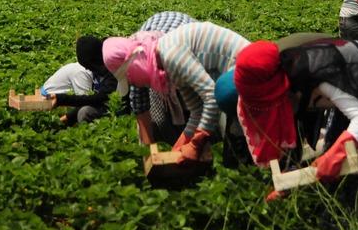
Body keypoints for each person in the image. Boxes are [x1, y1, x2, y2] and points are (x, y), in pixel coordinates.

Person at [234, 38, 358, 230]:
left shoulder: (315, 76)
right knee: (336, 158)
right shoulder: (287, 77)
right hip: (353, 93)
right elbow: (299, 127)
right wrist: (289, 178)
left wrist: (334, 156)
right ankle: (339, 219)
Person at [103, 21, 250, 163]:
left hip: (245, 71)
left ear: (133, 66)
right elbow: (196, 110)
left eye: (129, 79)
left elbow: (211, 97)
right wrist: (181, 144)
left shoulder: (170, 55)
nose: (133, 83)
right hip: (229, 82)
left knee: (239, 151)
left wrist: (195, 143)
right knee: (234, 153)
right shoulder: (167, 67)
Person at [129, 11, 196, 145]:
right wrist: (148, 150)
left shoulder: (184, 58)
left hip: (188, 46)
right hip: (158, 49)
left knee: (190, 108)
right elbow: (139, 106)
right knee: (160, 117)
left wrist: (192, 143)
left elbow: (203, 106)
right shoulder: (136, 64)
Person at [44, 36, 117, 126]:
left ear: (95, 60)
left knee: (85, 111)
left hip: (125, 105)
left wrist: (63, 101)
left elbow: (100, 98)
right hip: (48, 96)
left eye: (88, 65)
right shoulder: (101, 67)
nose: (87, 68)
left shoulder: (115, 67)